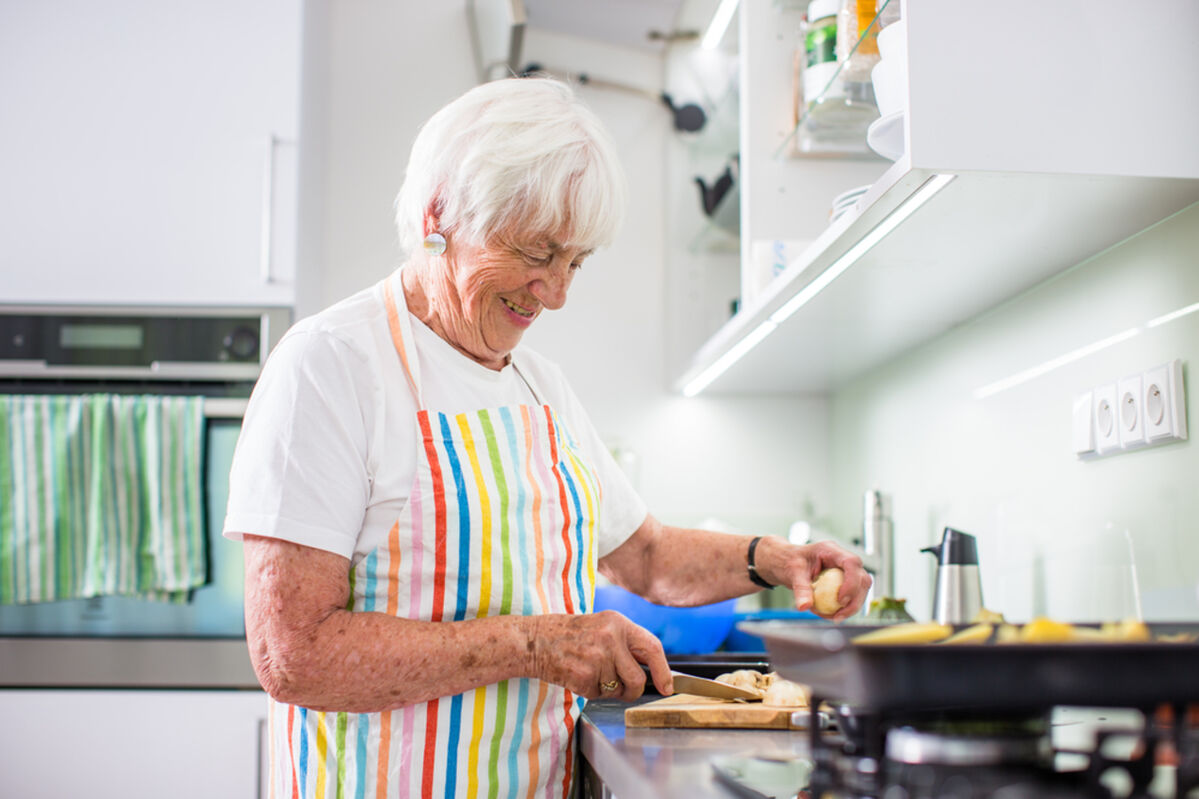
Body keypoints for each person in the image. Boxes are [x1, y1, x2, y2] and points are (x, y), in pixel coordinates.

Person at [224, 77, 871, 799]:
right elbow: (295, 654)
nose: (556, 291)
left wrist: (773, 558)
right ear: (440, 213)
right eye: (537, 252)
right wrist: (538, 642)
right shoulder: (332, 366)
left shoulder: (538, 383)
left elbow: (646, 556)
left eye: (576, 262)